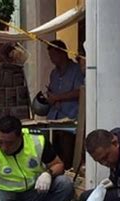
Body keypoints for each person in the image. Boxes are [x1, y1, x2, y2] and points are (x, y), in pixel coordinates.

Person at [46, 40, 84, 169]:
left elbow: (80, 91)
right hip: (54, 115)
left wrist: (58, 97)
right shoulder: (54, 73)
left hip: (71, 115)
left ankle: (68, 168)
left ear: (62, 53)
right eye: (50, 56)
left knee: (66, 141)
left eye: (53, 56)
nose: (51, 59)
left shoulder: (76, 70)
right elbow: (51, 91)